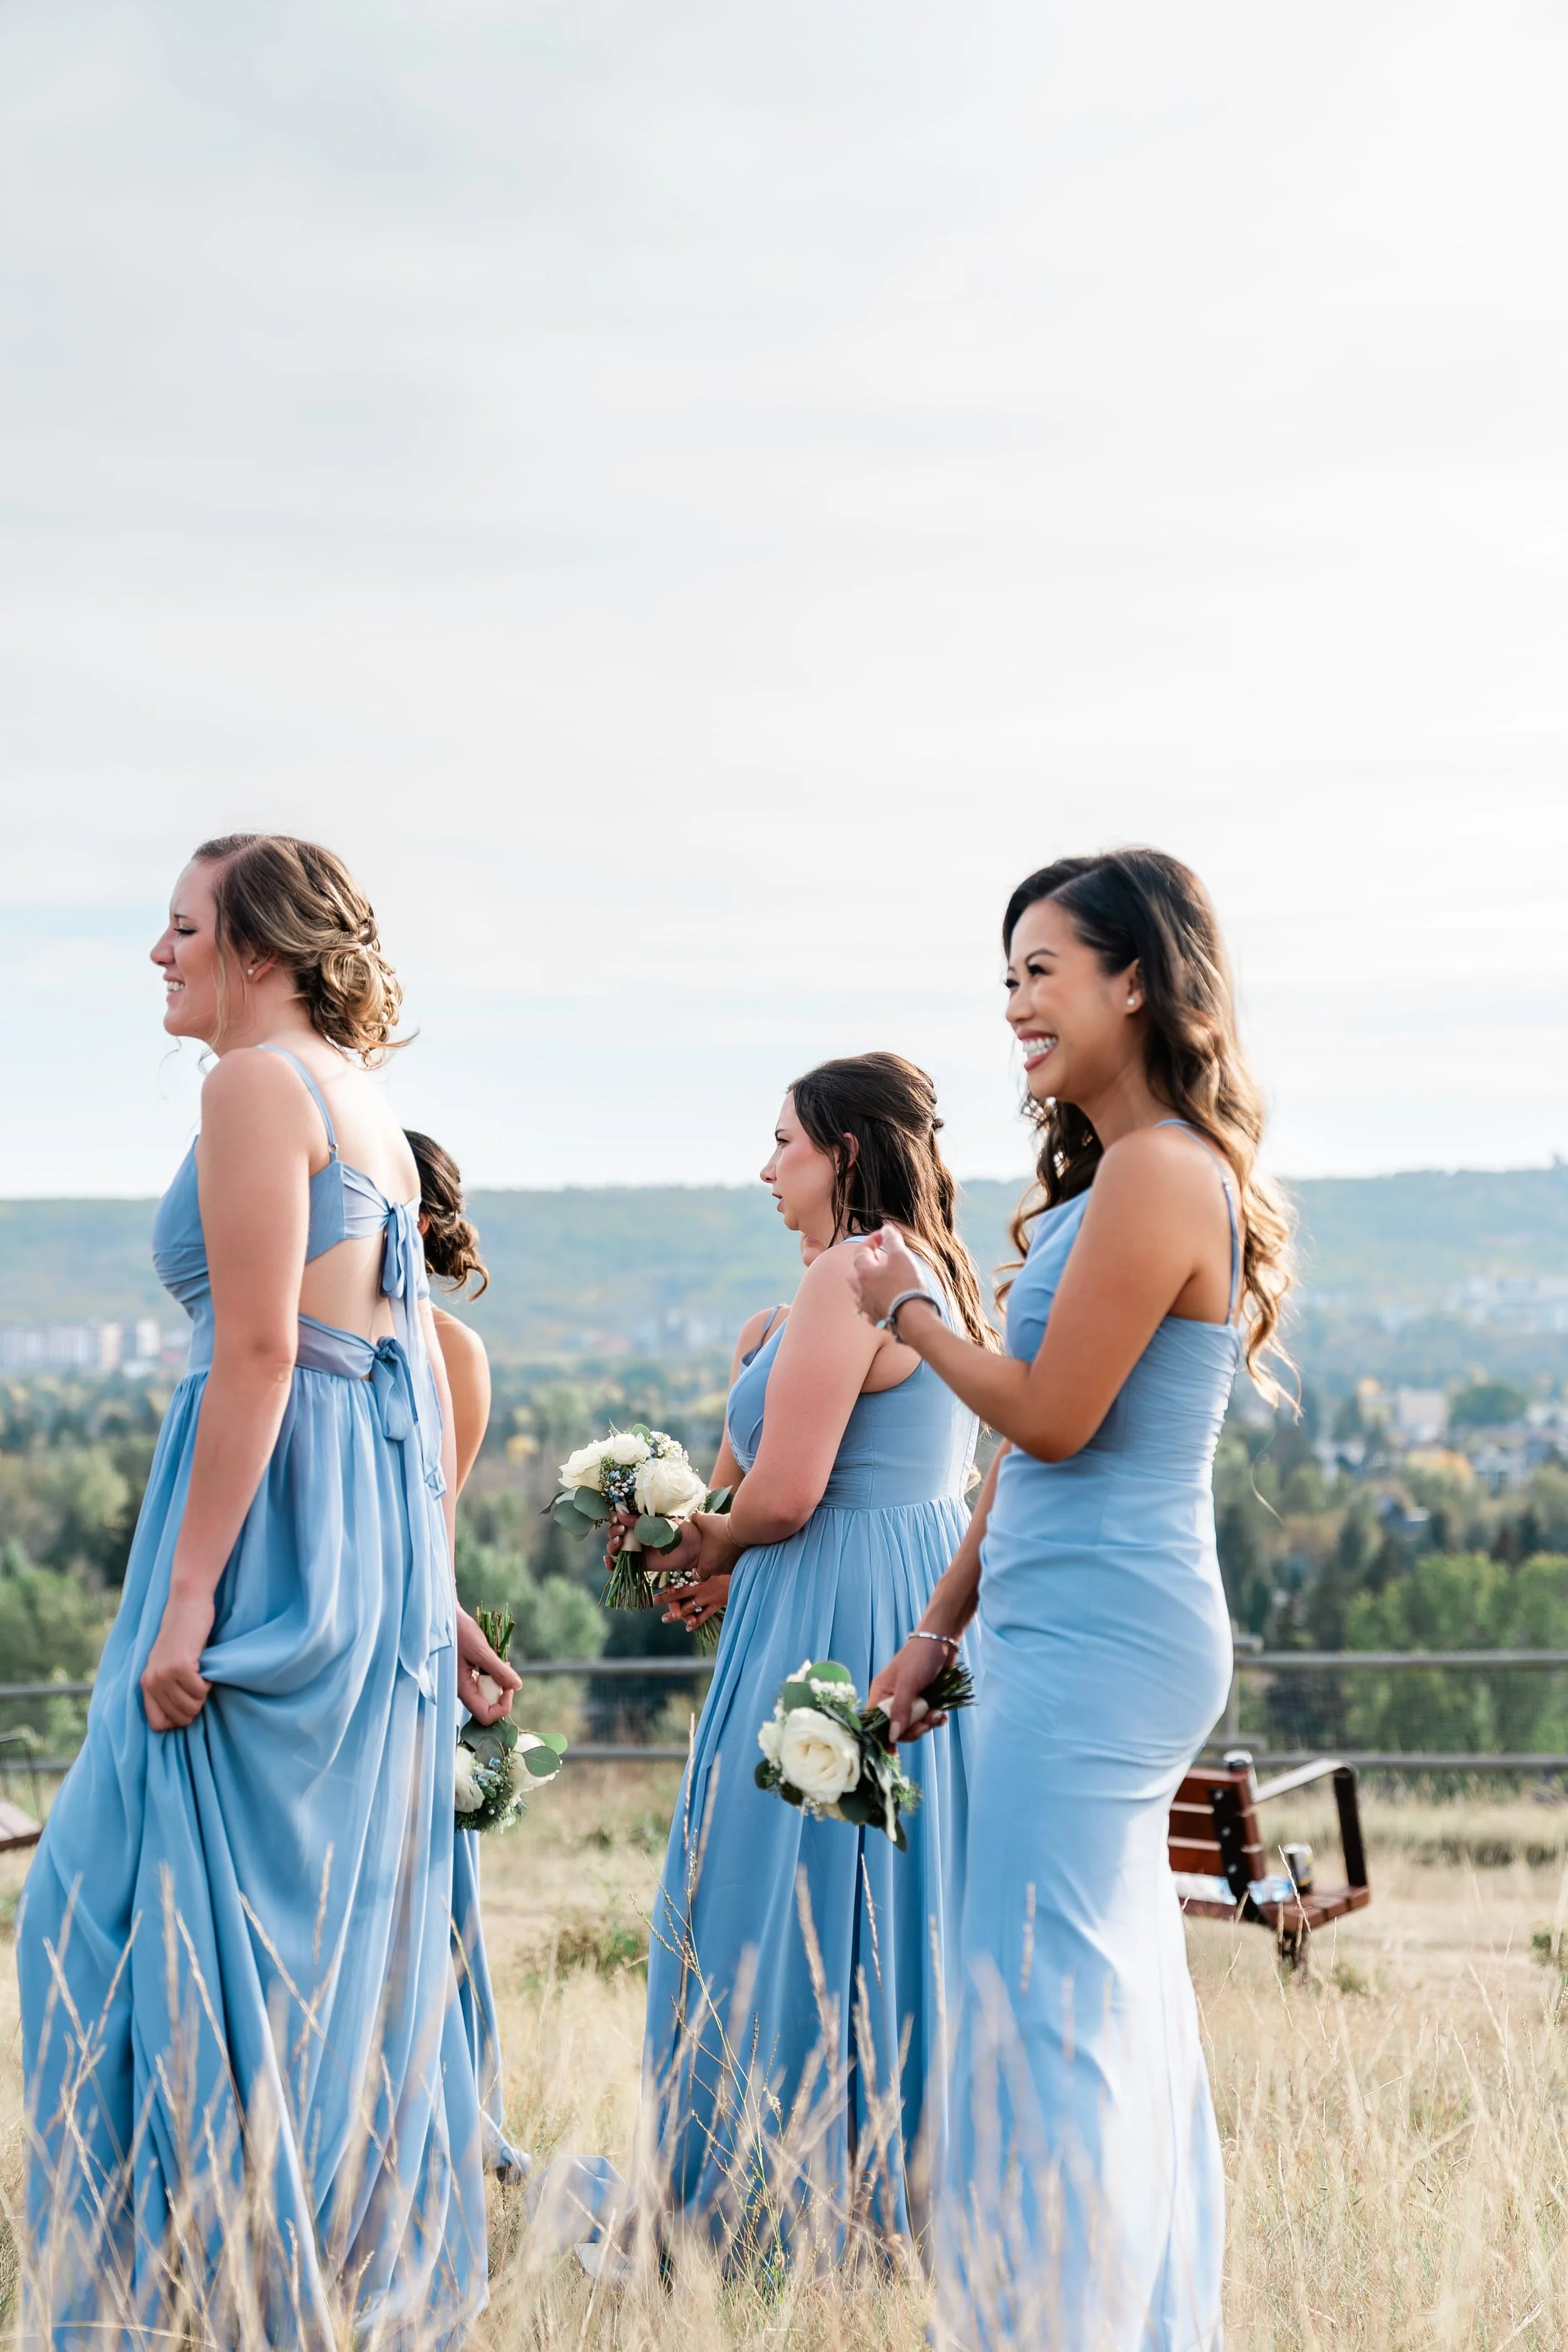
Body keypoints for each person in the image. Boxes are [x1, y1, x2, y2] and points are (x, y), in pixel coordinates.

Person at [18, 834, 521, 2346]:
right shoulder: (357, 1102)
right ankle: (276, 2273)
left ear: (260, 946)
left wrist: (185, 1604)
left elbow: (258, 1355)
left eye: (180, 928)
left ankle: (191, 2290)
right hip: (357, 1529)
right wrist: (433, 1597)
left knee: (110, 1902)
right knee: (305, 1925)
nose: (159, 956)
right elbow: (395, 1363)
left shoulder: (254, 1086)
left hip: (268, 1531)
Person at [852, 850, 1292, 2351]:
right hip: (1058, 1617)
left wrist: (905, 1304)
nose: (1015, 1005)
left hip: (1108, 1634)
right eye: (1006, 978)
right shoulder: (1126, 1177)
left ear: (1136, 980)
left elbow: (1044, 1417)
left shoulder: (1166, 1169)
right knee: (1081, 1995)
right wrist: (934, 1630)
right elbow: (1013, 1471)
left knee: (1036, 2000)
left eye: (1040, 971)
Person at [628, 1052, 993, 2261]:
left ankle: (781, 2202)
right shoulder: (888, 1282)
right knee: (882, 1894)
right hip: (891, 1591)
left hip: (844, 1607)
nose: (766, 1165)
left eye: (785, 1140)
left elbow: (785, 1497)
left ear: (844, 1151)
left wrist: (698, 1539)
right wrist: (719, 1558)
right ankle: (888, 2188)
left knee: (784, 1885)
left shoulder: (854, 1272)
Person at [405, 1128, 526, 2185]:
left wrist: (451, 1634)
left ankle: (450, 2117)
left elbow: (427, 1528)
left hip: (404, 1637)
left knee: (427, 1896)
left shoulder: (452, 1352)